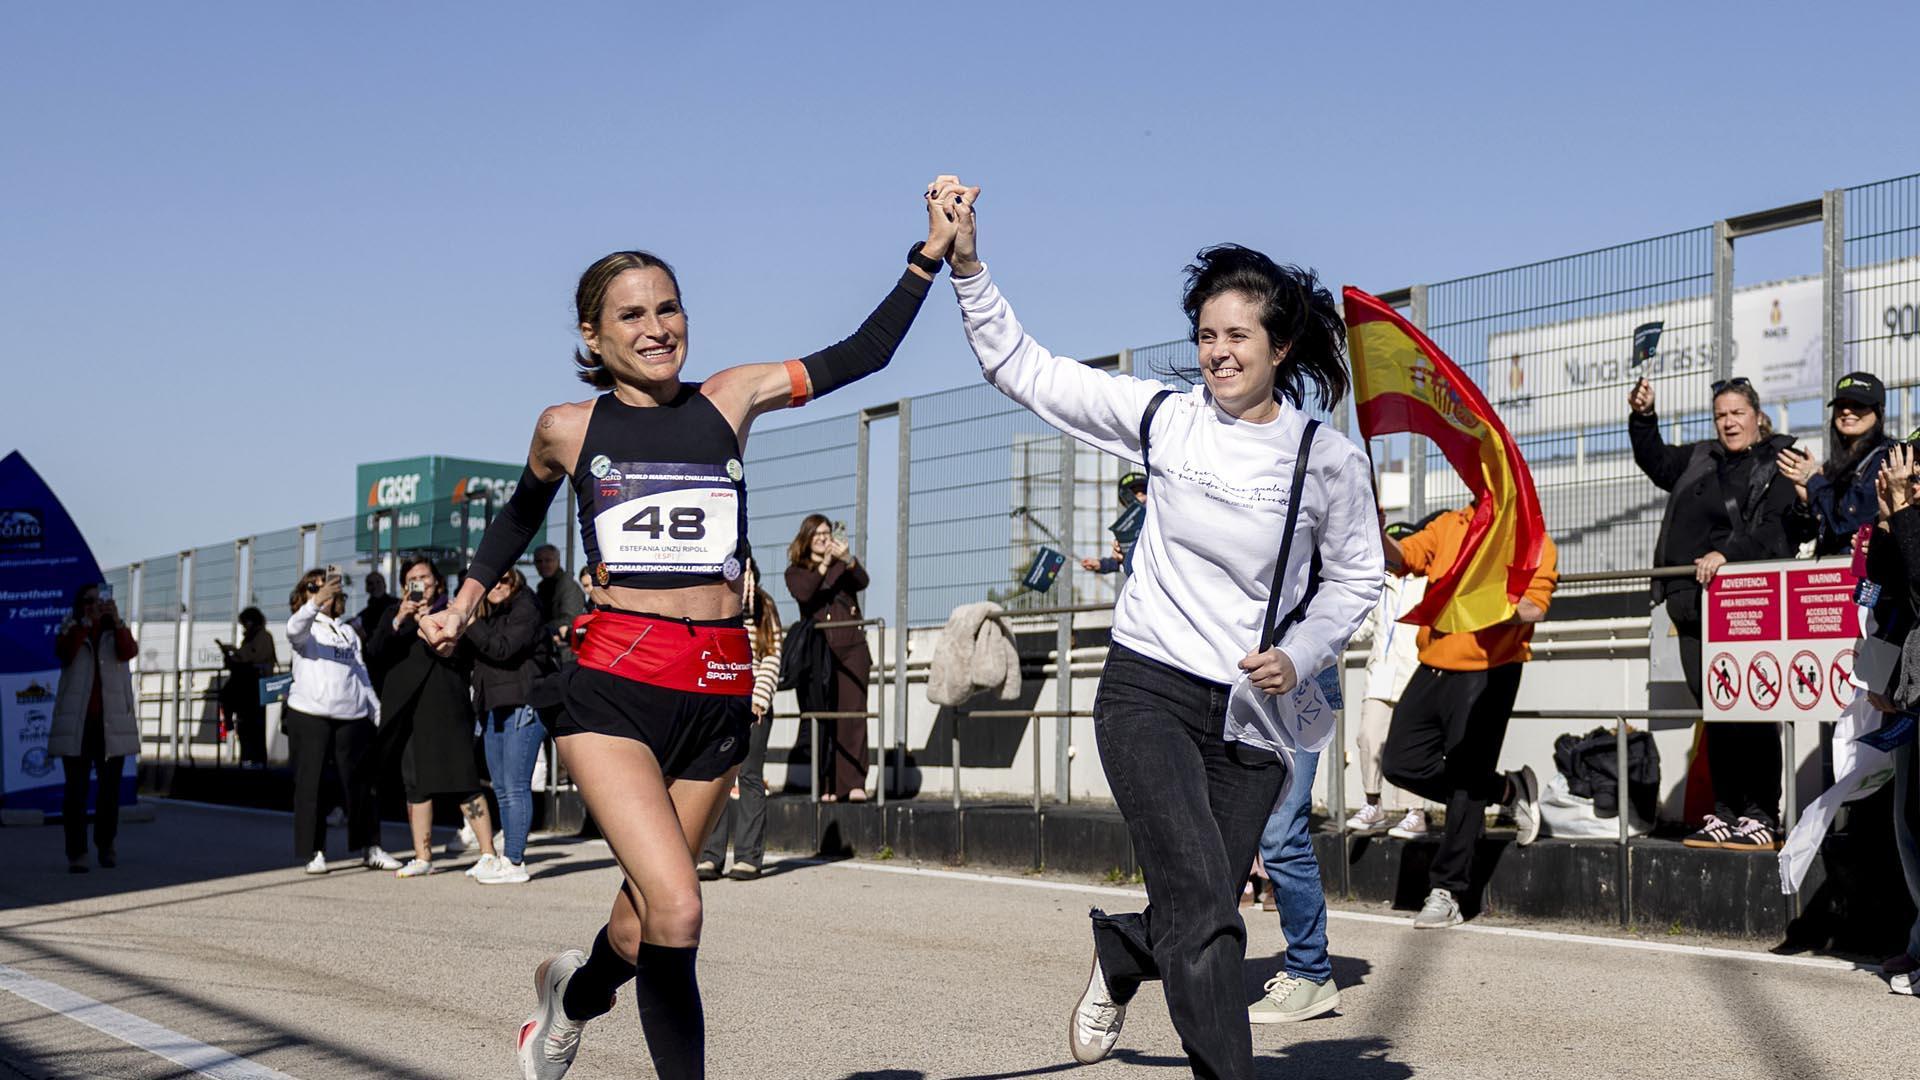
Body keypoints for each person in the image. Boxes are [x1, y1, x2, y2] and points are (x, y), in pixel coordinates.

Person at [415, 181, 957, 1080]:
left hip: (719, 687)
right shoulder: (568, 426)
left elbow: (862, 353)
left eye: (669, 308)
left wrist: (927, 257)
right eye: (632, 315)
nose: (657, 326)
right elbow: (518, 518)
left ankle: (567, 997)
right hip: (616, 681)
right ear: (593, 335)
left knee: (641, 921)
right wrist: (463, 603)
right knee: (682, 907)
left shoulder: (731, 397)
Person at [942, 182, 1381, 1078]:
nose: (1218, 354)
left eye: (1238, 337)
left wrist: (1300, 655)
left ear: (1280, 346)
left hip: (1253, 713)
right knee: (1208, 912)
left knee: (1203, 900)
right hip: (1147, 692)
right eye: (1207, 336)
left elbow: (1357, 578)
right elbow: (1023, 367)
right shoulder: (1164, 421)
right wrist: (968, 268)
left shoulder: (1323, 458)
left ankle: (1121, 953)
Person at [1629, 375, 1798, 850]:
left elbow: (1778, 531)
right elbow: (1657, 462)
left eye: (1737, 413)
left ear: (1756, 416)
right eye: (1721, 414)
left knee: (1752, 710)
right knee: (1717, 712)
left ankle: (1762, 813)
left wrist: (1730, 555)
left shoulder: (1774, 462)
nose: (1728, 422)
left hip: (1742, 605)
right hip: (1687, 605)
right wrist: (1643, 418)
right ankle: (1726, 811)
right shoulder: (1701, 457)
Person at [1379, 505, 1557, 929]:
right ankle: (1508, 790)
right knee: (1399, 762)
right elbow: (1402, 556)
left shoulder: (1530, 536)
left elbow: (1537, 604)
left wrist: (1495, 610)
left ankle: (1449, 892)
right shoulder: (1450, 524)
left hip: (1490, 668)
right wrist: (1371, 523)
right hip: (1435, 662)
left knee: (1465, 778)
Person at [369, 556, 499, 879]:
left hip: (447, 705)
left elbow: (463, 654)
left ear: (437, 582)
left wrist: (437, 619)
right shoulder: (394, 616)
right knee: (415, 783)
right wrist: (401, 617)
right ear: (403, 587)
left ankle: (488, 853)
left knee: (463, 779)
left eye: (424, 577)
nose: (420, 584)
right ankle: (422, 856)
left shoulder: (451, 610)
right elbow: (374, 651)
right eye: (412, 579)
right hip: (409, 711)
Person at [284, 569, 401, 873]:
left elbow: (360, 673)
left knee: (361, 785)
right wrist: (313, 604)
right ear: (304, 594)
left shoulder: (348, 632)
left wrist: (376, 710)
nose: (322, 593)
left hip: (351, 717)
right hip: (310, 716)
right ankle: (314, 851)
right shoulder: (305, 626)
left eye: (328, 589)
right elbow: (294, 630)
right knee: (312, 786)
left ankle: (370, 846)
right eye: (313, 588)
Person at [697, 560, 783, 881]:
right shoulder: (716, 605)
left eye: (748, 575)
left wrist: (759, 700)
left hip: (753, 705)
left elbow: (772, 655)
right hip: (718, 703)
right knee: (714, 776)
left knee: (748, 776)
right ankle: (710, 854)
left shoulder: (765, 607)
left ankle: (748, 856)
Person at [1345, 521, 1429, 837]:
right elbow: (1365, 626)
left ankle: (1415, 811)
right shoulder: (1378, 583)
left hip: (1414, 672)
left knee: (1411, 743)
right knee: (1369, 736)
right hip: (1381, 672)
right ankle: (1373, 804)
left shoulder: (1425, 580)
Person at [1871, 443, 1920, 988]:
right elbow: (1880, 594)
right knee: (1907, 824)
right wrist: (1888, 519)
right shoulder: (1902, 519)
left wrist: (1905, 512)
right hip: (1909, 693)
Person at [467, 566, 546, 885]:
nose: (497, 585)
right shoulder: (492, 611)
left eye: (504, 579)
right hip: (493, 705)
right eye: (491, 581)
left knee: (514, 786)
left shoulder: (526, 605)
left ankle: (515, 860)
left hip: (521, 704)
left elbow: (503, 648)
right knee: (500, 786)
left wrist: (469, 622)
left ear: (515, 580)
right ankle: (505, 858)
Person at [51, 584, 138, 872]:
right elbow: (64, 653)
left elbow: (129, 651)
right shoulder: (71, 626)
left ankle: (106, 844)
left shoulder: (116, 629)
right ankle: (77, 853)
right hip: (78, 722)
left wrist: (116, 620)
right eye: (88, 601)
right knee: (75, 791)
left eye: (99, 601)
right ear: (79, 604)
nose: (94, 606)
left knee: (109, 789)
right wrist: (84, 625)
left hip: (111, 722)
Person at [786, 514, 873, 802]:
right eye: (817, 534)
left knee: (852, 714)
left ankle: (854, 783)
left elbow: (862, 581)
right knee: (824, 718)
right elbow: (806, 593)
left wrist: (848, 560)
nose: (823, 538)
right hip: (819, 651)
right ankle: (828, 785)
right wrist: (824, 565)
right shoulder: (796, 572)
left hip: (851, 646)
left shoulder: (842, 565)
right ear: (807, 539)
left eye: (826, 532)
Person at [1778, 372, 1895, 556]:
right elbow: (1809, 533)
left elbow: (1852, 520)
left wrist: (1814, 481)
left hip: (1871, 574)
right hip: (1832, 574)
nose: (1847, 411)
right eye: (1841, 405)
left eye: (1858, 405)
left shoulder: (1890, 458)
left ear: (1878, 411)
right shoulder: (1832, 466)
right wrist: (1805, 503)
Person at [217, 607, 275, 767]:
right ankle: (248, 756)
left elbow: (252, 656)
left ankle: (256, 758)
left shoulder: (262, 637)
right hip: (247, 686)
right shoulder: (250, 638)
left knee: (254, 725)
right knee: (245, 725)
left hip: (255, 686)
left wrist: (236, 653)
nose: (245, 626)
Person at [1082, 472, 1148, 574]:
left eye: (1144, 491)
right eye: (1133, 493)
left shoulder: (1163, 519)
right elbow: (1132, 564)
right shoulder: (1127, 530)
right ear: (1123, 501)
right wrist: (1103, 564)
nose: (1140, 498)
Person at [534, 544, 586, 665]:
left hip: (565, 655)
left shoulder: (567, 586)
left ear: (557, 561)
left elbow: (570, 619)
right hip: (551, 652)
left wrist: (539, 631)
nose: (543, 565)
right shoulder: (542, 588)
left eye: (548, 560)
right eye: (539, 561)